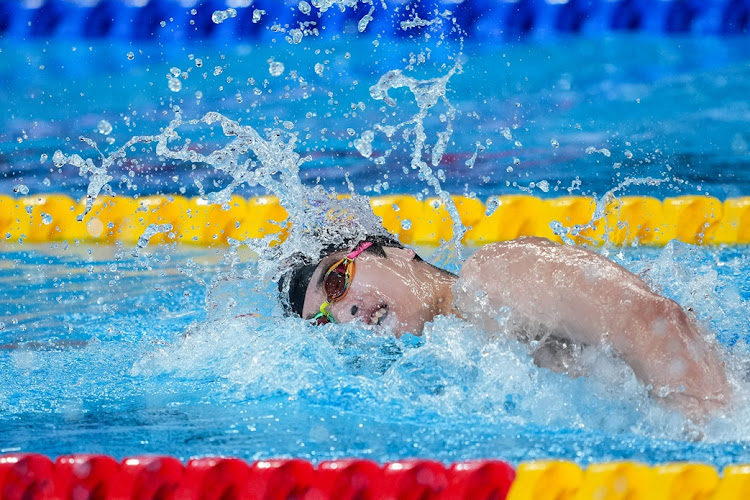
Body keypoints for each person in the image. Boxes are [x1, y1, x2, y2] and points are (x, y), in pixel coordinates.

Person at [278, 234, 730, 420]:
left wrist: (704, 445)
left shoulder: (491, 277)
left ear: (395, 253)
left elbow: (651, 321)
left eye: (336, 282)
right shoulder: (452, 364)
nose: (344, 317)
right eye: (323, 324)